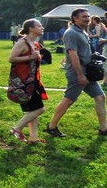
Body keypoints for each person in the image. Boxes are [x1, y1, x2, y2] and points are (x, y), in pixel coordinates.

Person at [45, 8, 107, 138]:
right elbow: (73, 55)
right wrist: (80, 75)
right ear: (75, 18)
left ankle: (103, 129)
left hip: (87, 72)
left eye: (88, 16)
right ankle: (51, 127)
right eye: (84, 16)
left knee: (100, 97)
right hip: (77, 73)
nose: (87, 19)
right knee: (68, 100)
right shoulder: (71, 33)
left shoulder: (82, 31)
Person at [8, 19, 48, 144]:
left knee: (33, 110)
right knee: (40, 109)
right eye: (39, 26)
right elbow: (11, 58)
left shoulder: (35, 43)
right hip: (23, 81)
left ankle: (33, 138)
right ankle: (16, 129)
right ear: (31, 28)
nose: (42, 28)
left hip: (33, 80)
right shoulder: (22, 42)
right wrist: (31, 57)